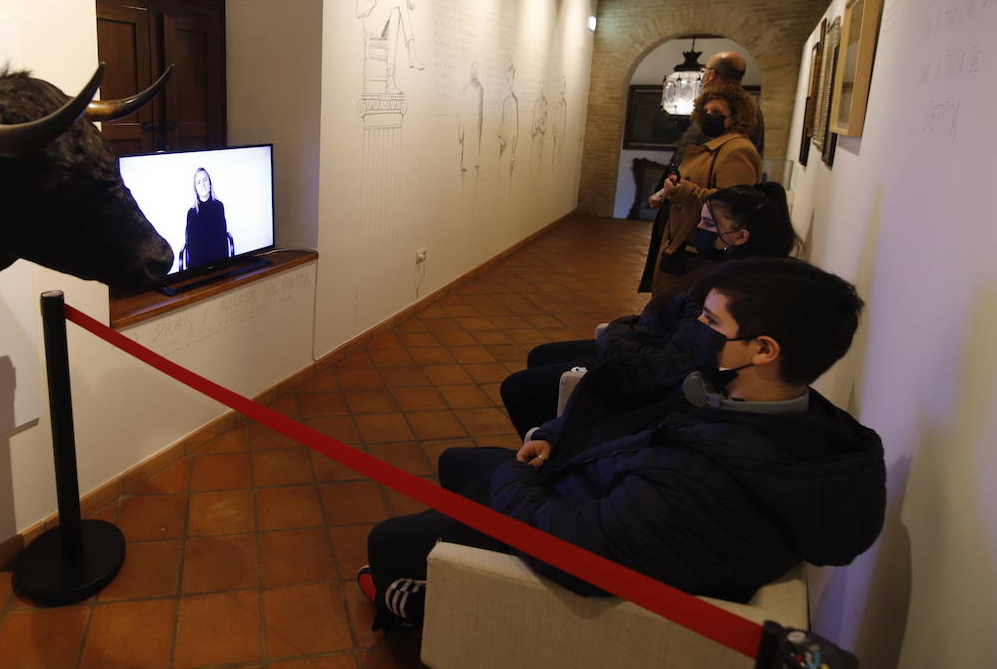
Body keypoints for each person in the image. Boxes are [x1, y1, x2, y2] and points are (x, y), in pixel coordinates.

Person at [359, 258, 885, 630]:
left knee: (389, 543)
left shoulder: (703, 480)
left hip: (570, 524)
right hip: (588, 487)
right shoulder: (757, 399)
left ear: (764, 350)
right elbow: (627, 429)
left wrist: (514, 477)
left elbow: (574, 553)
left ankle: (412, 604)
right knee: (456, 462)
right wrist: (554, 437)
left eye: (710, 321)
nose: (695, 330)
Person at [502, 181, 798, 436]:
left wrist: (616, 339)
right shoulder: (726, 269)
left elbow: (674, 364)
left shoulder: (724, 292)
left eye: (708, 224)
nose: (698, 230)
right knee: (540, 355)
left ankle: (552, 447)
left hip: (645, 368)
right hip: (642, 348)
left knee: (520, 387)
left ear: (740, 237)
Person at [646, 84, 762, 294]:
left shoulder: (738, 150)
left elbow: (731, 203)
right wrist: (667, 192)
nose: (709, 116)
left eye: (716, 112)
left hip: (698, 248)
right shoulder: (716, 146)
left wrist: (683, 192)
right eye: (706, 111)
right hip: (683, 238)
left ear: (735, 117)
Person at [181, 167, 231, 269]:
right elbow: (192, 246)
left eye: (205, 180)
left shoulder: (219, 206)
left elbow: (222, 240)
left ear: (210, 183)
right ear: (195, 188)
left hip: (218, 263)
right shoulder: (191, 213)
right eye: (198, 182)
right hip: (199, 266)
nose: (202, 185)